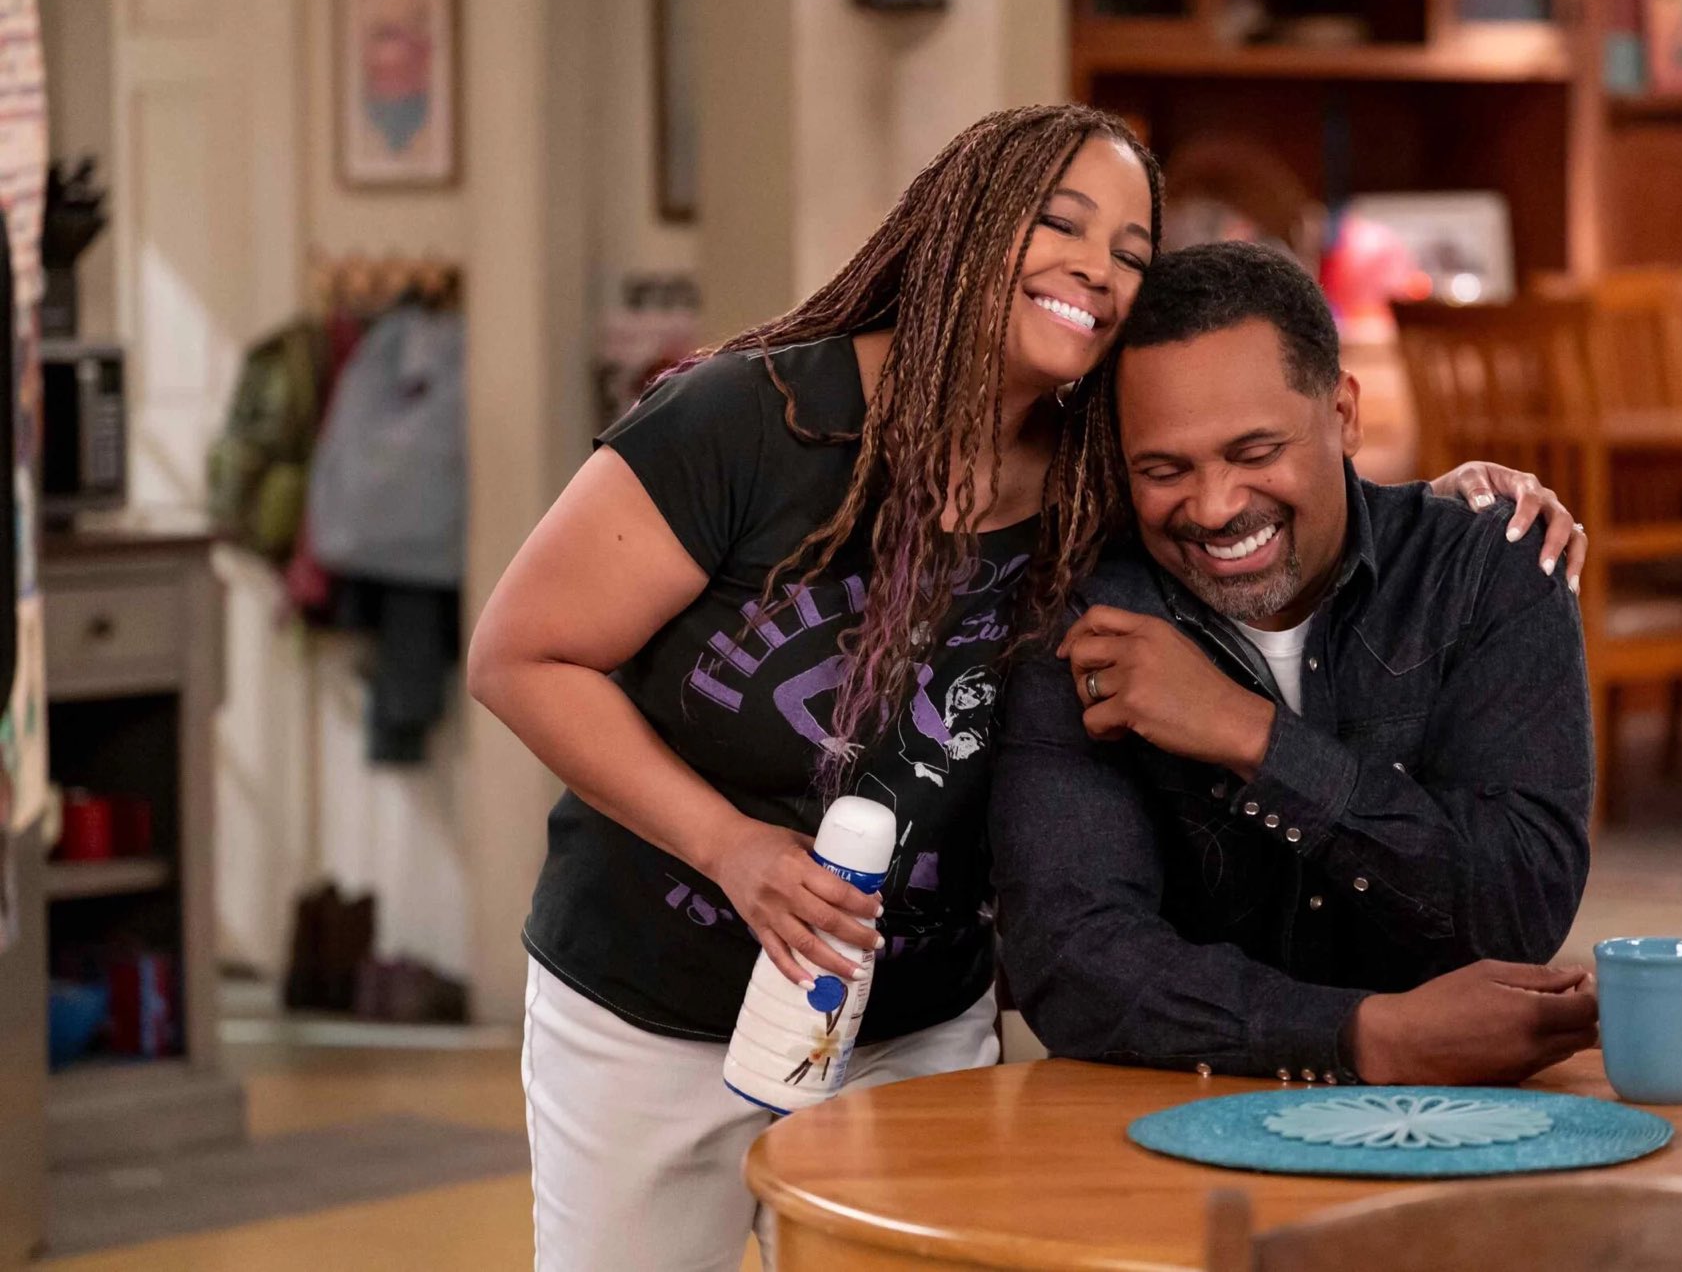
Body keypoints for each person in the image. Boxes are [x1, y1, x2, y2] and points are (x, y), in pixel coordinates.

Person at [467, 107, 1588, 1272]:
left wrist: (1429, 511)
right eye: (1059, 222)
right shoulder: (752, 419)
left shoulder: (1092, 477)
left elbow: (1251, 473)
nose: (1095, 267)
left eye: (1129, 252)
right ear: (963, 221)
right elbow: (519, 655)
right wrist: (731, 847)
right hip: (655, 1004)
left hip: (915, 1019)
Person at [991, 241, 1598, 1088]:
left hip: (1463, 1123)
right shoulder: (1083, 621)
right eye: (1164, 470)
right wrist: (1359, 1037)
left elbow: (1517, 911)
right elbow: (1073, 964)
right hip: (1166, 1122)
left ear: (1343, 413)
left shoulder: (1484, 573)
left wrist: (1251, 736)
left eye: (1254, 453)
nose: (1215, 508)